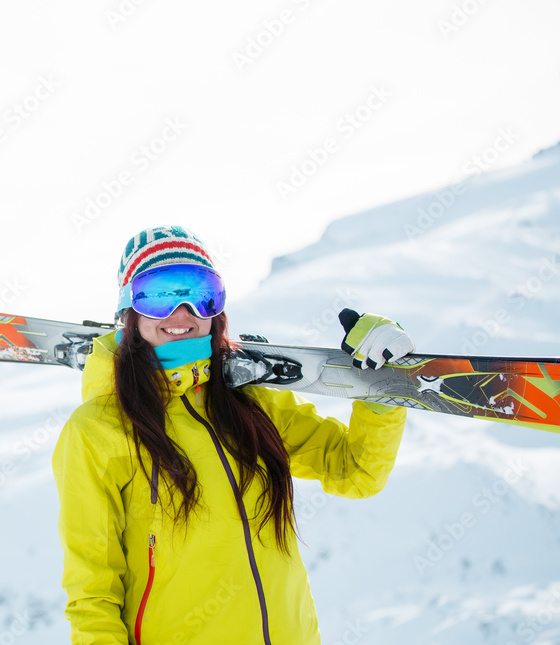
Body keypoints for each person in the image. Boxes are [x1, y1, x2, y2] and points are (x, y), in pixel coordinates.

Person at [51, 226, 415, 645]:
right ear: (128, 311)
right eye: (160, 293)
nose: (182, 312)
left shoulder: (251, 404)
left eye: (201, 292)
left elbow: (357, 471)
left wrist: (382, 390)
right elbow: (92, 592)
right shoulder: (96, 431)